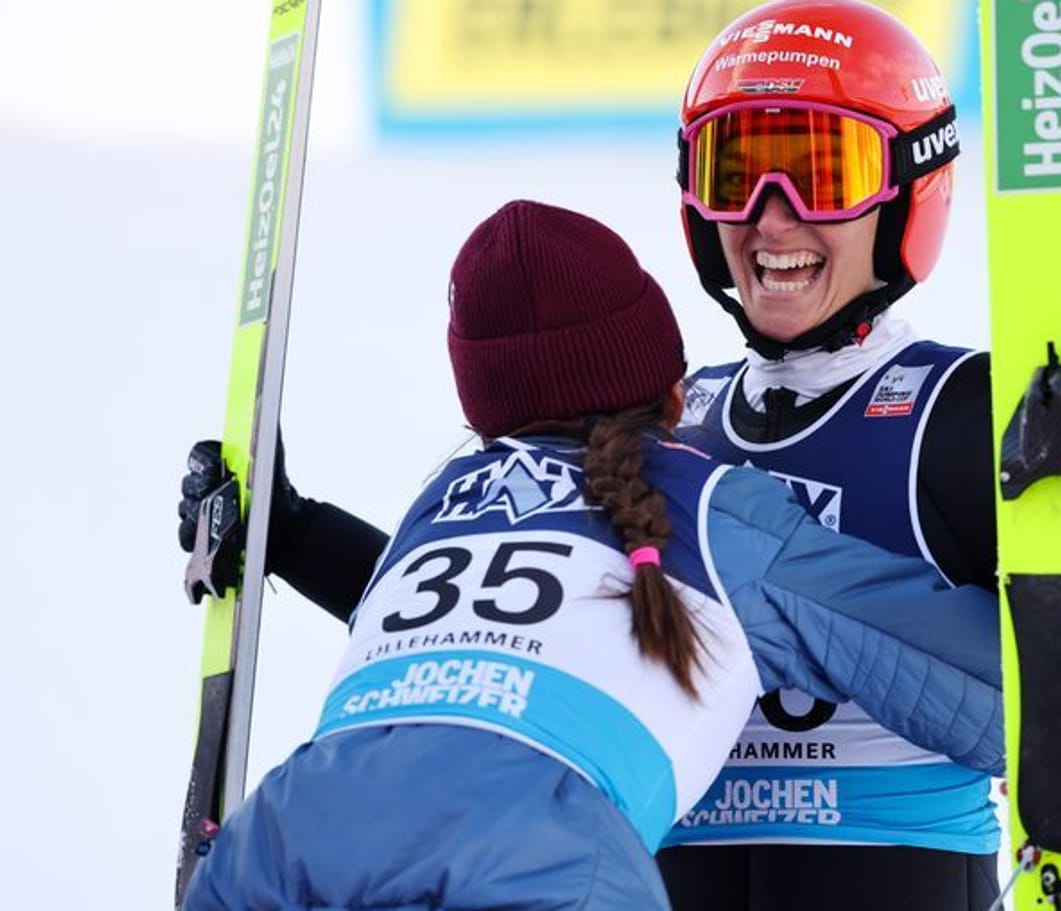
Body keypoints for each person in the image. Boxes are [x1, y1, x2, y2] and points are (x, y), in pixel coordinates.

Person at [178, 2, 1061, 909]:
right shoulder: (664, 423)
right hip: (659, 865)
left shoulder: (952, 404)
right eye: (737, 173)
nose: (770, 216)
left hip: (890, 867)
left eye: (822, 174)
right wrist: (292, 530)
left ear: (904, 194)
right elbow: (507, 625)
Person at [179, 199, 1011, 911]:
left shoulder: (444, 498)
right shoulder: (718, 514)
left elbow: (472, 657)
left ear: (481, 414)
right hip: (548, 869)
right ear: (675, 393)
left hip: (276, 843)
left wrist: (286, 533)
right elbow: (992, 694)